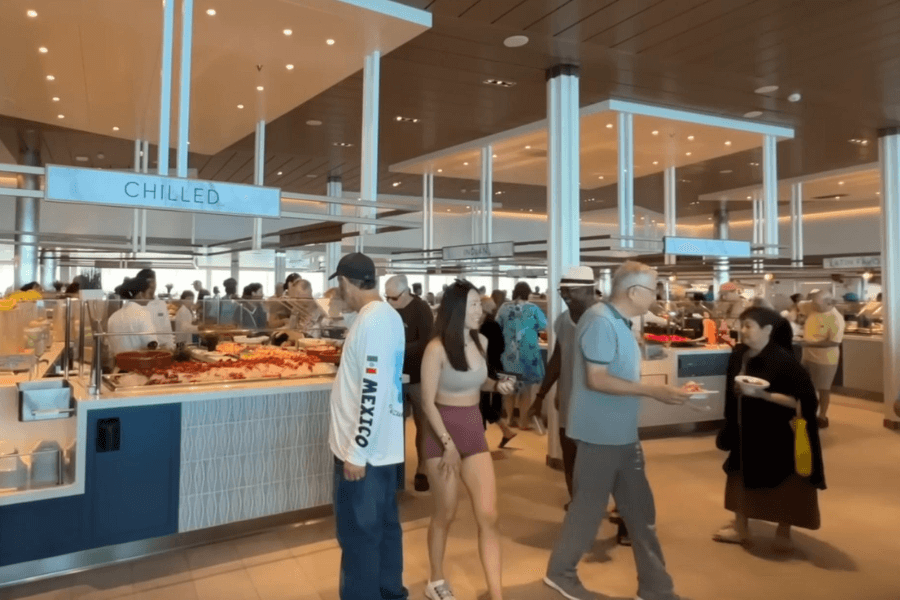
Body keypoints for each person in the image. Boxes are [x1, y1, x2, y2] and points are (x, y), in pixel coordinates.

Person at [544, 261, 692, 600]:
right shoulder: (599, 321)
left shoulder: (617, 322)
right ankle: (561, 573)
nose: (656, 295)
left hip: (621, 434)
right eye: (654, 288)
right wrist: (655, 390)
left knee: (641, 513)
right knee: (588, 509)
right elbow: (597, 379)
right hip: (601, 435)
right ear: (635, 292)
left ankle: (657, 588)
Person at [419, 280, 516, 600]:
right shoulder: (436, 349)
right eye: (474, 305)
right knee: (446, 512)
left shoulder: (482, 342)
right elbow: (427, 402)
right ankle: (435, 580)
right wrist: (447, 445)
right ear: (457, 310)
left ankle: (497, 593)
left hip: (473, 429)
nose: (481, 310)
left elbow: (480, 381)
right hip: (440, 433)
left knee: (489, 514)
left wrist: (496, 386)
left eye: (480, 304)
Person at [327, 252, 407, 600]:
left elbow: (371, 390)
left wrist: (356, 452)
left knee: (359, 537)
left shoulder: (372, 321)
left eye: (338, 285)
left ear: (345, 282)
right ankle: (389, 592)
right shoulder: (384, 316)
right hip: (382, 449)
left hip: (365, 455)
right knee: (383, 529)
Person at [714, 306, 826, 551]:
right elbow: (730, 392)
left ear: (767, 330)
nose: (742, 331)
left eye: (748, 326)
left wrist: (763, 395)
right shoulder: (738, 355)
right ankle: (741, 530)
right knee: (738, 479)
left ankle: (783, 532)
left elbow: (803, 402)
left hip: (777, 433)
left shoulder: (785, 361)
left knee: (785, 484)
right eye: (741, 325)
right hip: (745, 430)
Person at [385, 274, 434, 492]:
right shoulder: (389, 309)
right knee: (396, 424)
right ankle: (397, 471)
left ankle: (422, 468)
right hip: (395, 376)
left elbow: (427, 342)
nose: (390, 302)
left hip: (419, 375)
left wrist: (399, 347)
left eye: (394, 298)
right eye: (387, 298)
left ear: (406, 293)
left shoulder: (421, 309)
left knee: (423, 424)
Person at [496, 282, 547, 430]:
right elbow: (544, 325)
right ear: (528, 293)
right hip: (528, 354)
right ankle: (523, 422)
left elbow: (497, 325)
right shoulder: (534, 309)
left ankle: (510, 419)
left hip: (508, 354)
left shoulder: (504, 308)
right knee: (525, 391)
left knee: (509, 390)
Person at [799, 290, 845, 428]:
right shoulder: (812, 306)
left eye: (818, 305)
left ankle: (822, 417)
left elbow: (834, 342)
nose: (814, 307)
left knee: (823, 389)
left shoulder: (836, 319)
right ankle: (807, 413)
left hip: (826, 359)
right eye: (813, 303)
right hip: (807, 356)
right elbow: (798, 305)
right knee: (807, 387)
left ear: (829, 303)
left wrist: (809, 343)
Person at [478, 296, 516, 447]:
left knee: (482, 404)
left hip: (487, 368)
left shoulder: (485, 326)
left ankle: (482, 443)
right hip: (496, 367)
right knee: (486, 404)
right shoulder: (495, 325)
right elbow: (501, 348)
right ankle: (506, 431)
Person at [107, 277, 159, 357]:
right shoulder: (143, 314)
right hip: (138, 366)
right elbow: (151, 345)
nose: (152, 298)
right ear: (140, 294)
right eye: (150, 293)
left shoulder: (113, 317)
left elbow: (111, 348)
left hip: (118, 366)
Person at [135, 269, 174, 349]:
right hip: (143, 351)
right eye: (148, 282)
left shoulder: (161, 304)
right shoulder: (135, 305)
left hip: (162, 350)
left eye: (154, 281)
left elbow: (167, 330)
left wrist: (171, 347)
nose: (152, 285)